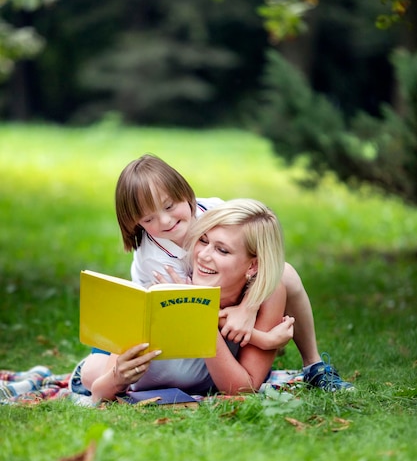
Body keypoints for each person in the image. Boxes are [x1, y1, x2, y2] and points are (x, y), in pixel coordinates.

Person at [114, 154, 353, 391]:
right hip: (179, 322)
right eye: (149, 218)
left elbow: (262, 259)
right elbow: (194, 312)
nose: (165, 221)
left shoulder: (215, 211)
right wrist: (263, 338)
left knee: (283, 272)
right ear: (135, 223)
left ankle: (313, 363)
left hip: (223, 297)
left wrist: (247, 308)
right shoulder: (153, 259)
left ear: (185, 193)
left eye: (169, 206)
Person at [74, 199, 294, 402]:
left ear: (253, 266)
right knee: (90, 375)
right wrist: (116, 377)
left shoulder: (267, 295)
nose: (203, 255)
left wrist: (200, 315)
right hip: (111, 373)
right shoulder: (163, 292)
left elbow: (243, 389)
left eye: (222, 250)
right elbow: (99, 393)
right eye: (203, 241)